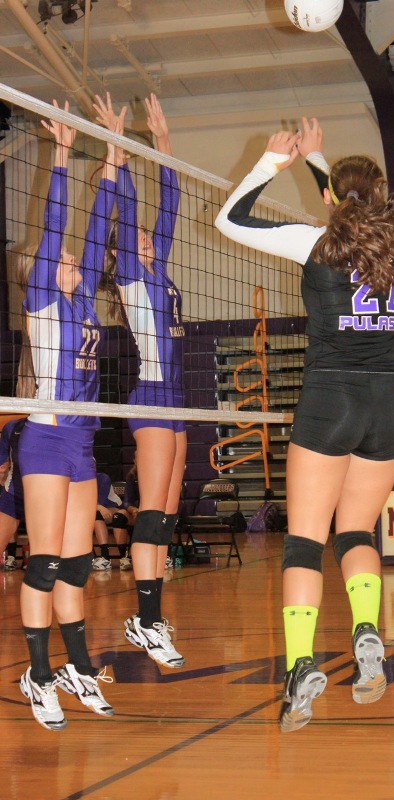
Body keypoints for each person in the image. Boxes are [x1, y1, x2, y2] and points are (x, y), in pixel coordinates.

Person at [215, 117, 394, 732]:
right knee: (355, 532)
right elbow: (351, 204)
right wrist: (319, 158)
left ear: (330, 199)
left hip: (332, 400)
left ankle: (301, 668)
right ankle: (367, 631)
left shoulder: (315, 243)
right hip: (387, 407)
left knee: (304, 541)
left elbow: (230, 221)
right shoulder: (390, 247)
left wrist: (272, 163)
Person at [16, 99, 123, 731]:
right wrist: (60, 155)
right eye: (59, 260)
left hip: (83, 445)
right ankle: (39, 675)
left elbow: (93, 229)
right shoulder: (42, 301)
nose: (69, 262)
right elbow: (56, 226)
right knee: (46, 561)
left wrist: (112, 162)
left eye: (73, 262)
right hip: (47, 441)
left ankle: (78, 666)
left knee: (77, 566)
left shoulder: (84, 303)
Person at [94, 93, 186, 669]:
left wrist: (163, 142)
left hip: (179, 400)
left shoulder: (163, 268)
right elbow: (128, 212)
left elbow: (169, 202)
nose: (146, 239)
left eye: (149, 239)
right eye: (136, 240)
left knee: (168, 511)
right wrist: (119, 149)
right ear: (122, 253)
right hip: (151, 396)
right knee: (151, 509)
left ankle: (152, 616)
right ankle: (146, 621)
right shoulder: (131, 274)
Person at [0, 417, 26, 570]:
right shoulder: (12, 427)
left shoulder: (59, 425)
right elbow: (2, 463)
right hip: (14, 493)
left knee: (44, 560)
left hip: (45, 497)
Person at [92, 471, 131, 571]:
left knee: (99, 515)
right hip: (94, 510)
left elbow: (100, 502)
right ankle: (101, 557)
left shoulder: (103, 478)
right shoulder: (78, 480)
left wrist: (98, 507)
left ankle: (122, 557)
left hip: (115, 507)